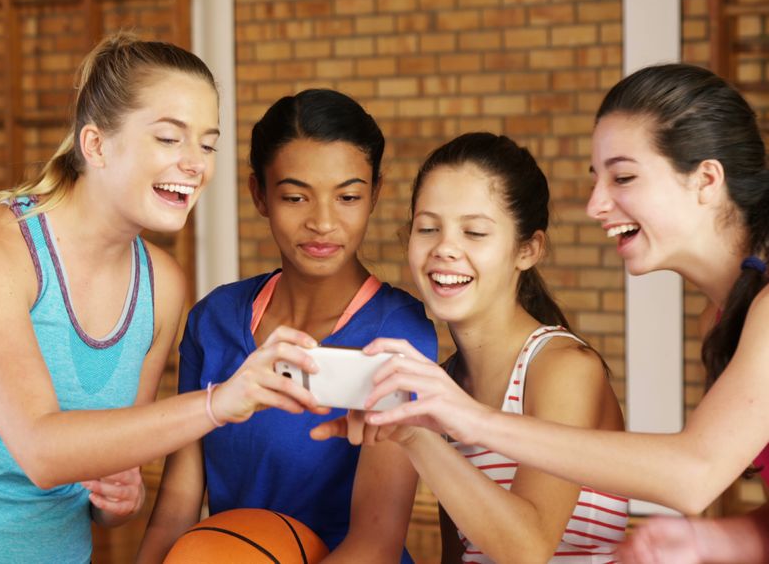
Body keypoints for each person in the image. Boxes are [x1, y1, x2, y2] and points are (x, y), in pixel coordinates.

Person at [0, 33, 329, 564]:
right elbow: (43, 452)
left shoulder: (163, 286)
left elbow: (110, 464)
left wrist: (119, 499)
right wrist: (222, 401)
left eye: (207, 145)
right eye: (169, 138)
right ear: (94, 145)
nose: (195, 163)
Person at [315, 63, 769, 562]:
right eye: (597, 179)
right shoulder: (727, 319)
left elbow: (693, 474)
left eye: (623, 177)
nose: (595, 204)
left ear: (706, 180)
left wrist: (464, 421)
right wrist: (714, 540)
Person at [136, 88, 437, 563]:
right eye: (296, 196)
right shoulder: (213, 320)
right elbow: (177, 506)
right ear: (260, 194)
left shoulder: (400, 332)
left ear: (375, 194)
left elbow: (375, 542)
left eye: (348, 197)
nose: (322, 222)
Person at [318, 132, 628, 562]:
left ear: (527, 249)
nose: (445, 248)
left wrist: (415, 436)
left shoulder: (564, 369)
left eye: (475, 232)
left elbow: (528, 548)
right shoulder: (443, 383)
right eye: (428, 228)